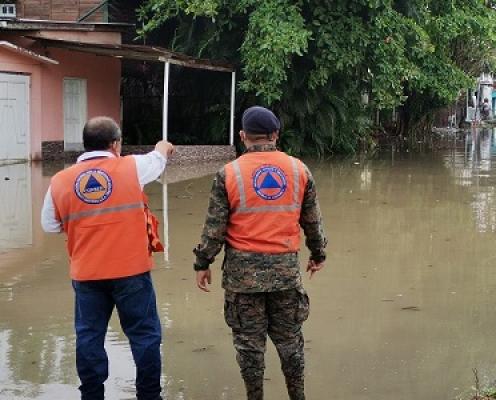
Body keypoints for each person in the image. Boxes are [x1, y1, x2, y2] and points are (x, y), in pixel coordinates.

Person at [193, 106, 327, 400]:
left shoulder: (228, 173)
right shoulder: (298, 170)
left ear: (243, 136)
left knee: (249, 349)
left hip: (243, 281)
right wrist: (318, 254)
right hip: (286, 278)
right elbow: (313, 222)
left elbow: (214, 227)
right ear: (276, 135)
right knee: (291, 344)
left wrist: (203, 262)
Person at [41, 117, 174, 400]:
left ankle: (91, 394)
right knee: (145, 336)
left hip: (87, 275)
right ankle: (149, 395)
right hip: (132, 273)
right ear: (115, 144)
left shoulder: (60, 181)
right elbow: (157, 160)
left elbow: (49, 225)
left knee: (89, 337)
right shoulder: (131, 167)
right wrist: (163, 147)